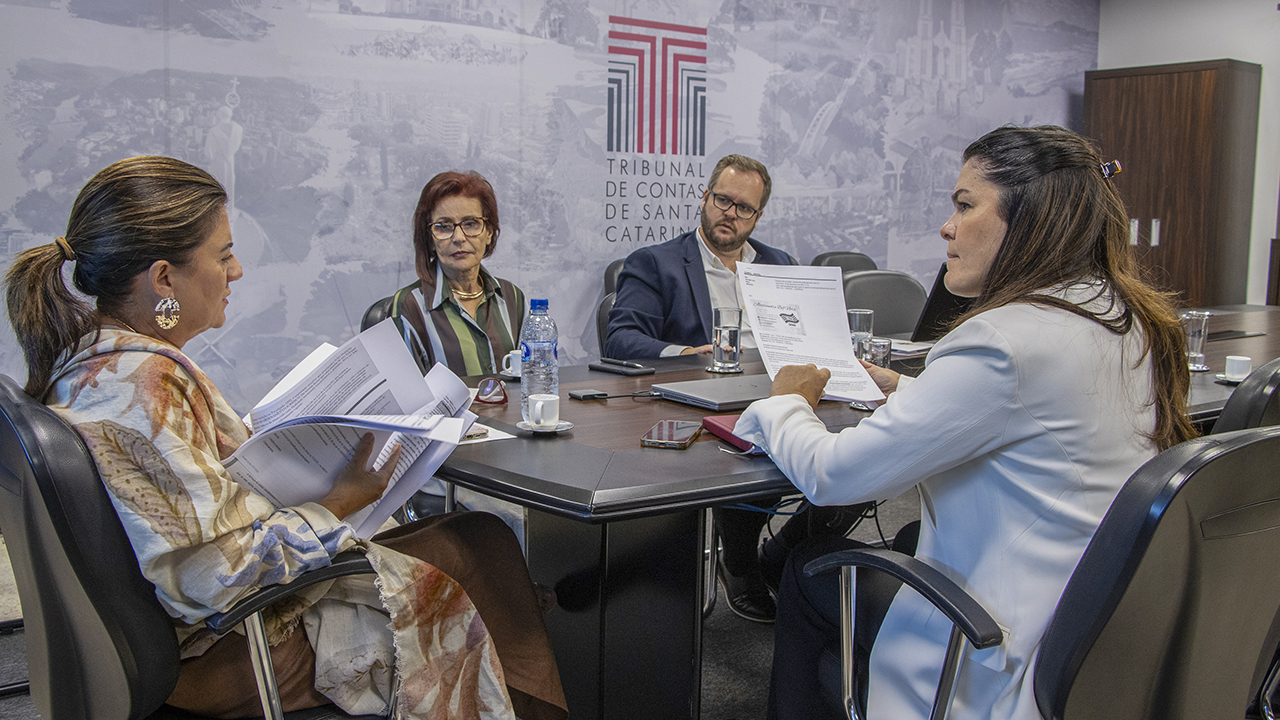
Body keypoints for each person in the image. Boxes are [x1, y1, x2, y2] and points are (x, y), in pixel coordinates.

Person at [4, 156, 567, 720]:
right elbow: (210, 577)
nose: (238, 270)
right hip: (231, 650)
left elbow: (183, 504)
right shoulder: (148, 384)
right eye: (223, 255)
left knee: (479, 537)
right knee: (479, 550)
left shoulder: (94, 365)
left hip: (198, 633)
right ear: (163, 279)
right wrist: (341, 500)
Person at [734, 125, 1195, 719]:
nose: (947, 227)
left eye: (964, 205)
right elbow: (1034, 411)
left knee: (807, 565)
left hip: (996, 650)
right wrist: (906, 386)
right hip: (1093, 635)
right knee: (901, 539)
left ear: (1028, 219)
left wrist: (786, 402)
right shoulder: (1125, 317)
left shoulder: (1001, 341)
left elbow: (834, 477)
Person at [604, 153, 862, 624]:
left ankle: (782, 554)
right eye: (723, 200)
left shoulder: (779, 264)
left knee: (862, 459)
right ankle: (740, 561)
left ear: (758, 215)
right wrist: (689, 354)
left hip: (779, 392)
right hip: (702, 402)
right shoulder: (656, 263)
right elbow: (621, 337)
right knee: (749, 452)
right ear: (705, 198)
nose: (731, 213)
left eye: (744, 208)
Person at [386, 170, 525, 377]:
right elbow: (408, 397)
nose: (459, 237)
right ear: (430, 239)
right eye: (444, 227)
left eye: (470, 224)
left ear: (488, 232)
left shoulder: (511, 296)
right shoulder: (409, 305)